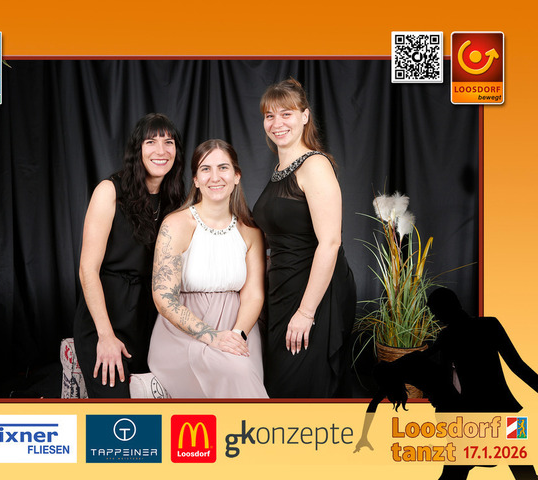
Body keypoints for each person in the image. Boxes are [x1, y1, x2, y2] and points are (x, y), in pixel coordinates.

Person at [354, 288, 538, 480]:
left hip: (473, 416)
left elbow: (446, 380)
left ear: (445, 309)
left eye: (435, 312)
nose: (436, 318)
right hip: (508, 412)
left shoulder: (447, 337)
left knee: (456, 472)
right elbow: (518, 366)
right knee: (524, 472)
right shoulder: (489, 324)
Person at [252, 78, 356, 398]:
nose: (277, 123)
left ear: (305, 116)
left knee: (300, 389)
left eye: (286, 114)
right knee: (280, 388)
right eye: (270, 116)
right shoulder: (280, 170)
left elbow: (330, 243)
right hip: (283, 289)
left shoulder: (315, 165)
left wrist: (306, 312)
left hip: (315, 292)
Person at [73, 113, 185, 398]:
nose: (161, 150)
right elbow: (87, 270)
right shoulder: (109, 191)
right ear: (138, 149)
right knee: (118, 406)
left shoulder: (175, 199)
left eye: (168, 142)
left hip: (152, 317)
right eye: (151, 142)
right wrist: (105, 336)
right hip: (108, 315)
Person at [148, 139, 268, 398]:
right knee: (236, 372)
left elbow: (254, 294)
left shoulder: (250, 231)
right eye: (205, 169)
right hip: (183, 333)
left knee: (239, 368)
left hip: (238, 325)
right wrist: (212, 337)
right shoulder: (176, 224)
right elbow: (163, 297)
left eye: (223, 168)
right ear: (195, 180)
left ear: (236, 176)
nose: (215, 177)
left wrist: (237, 334)